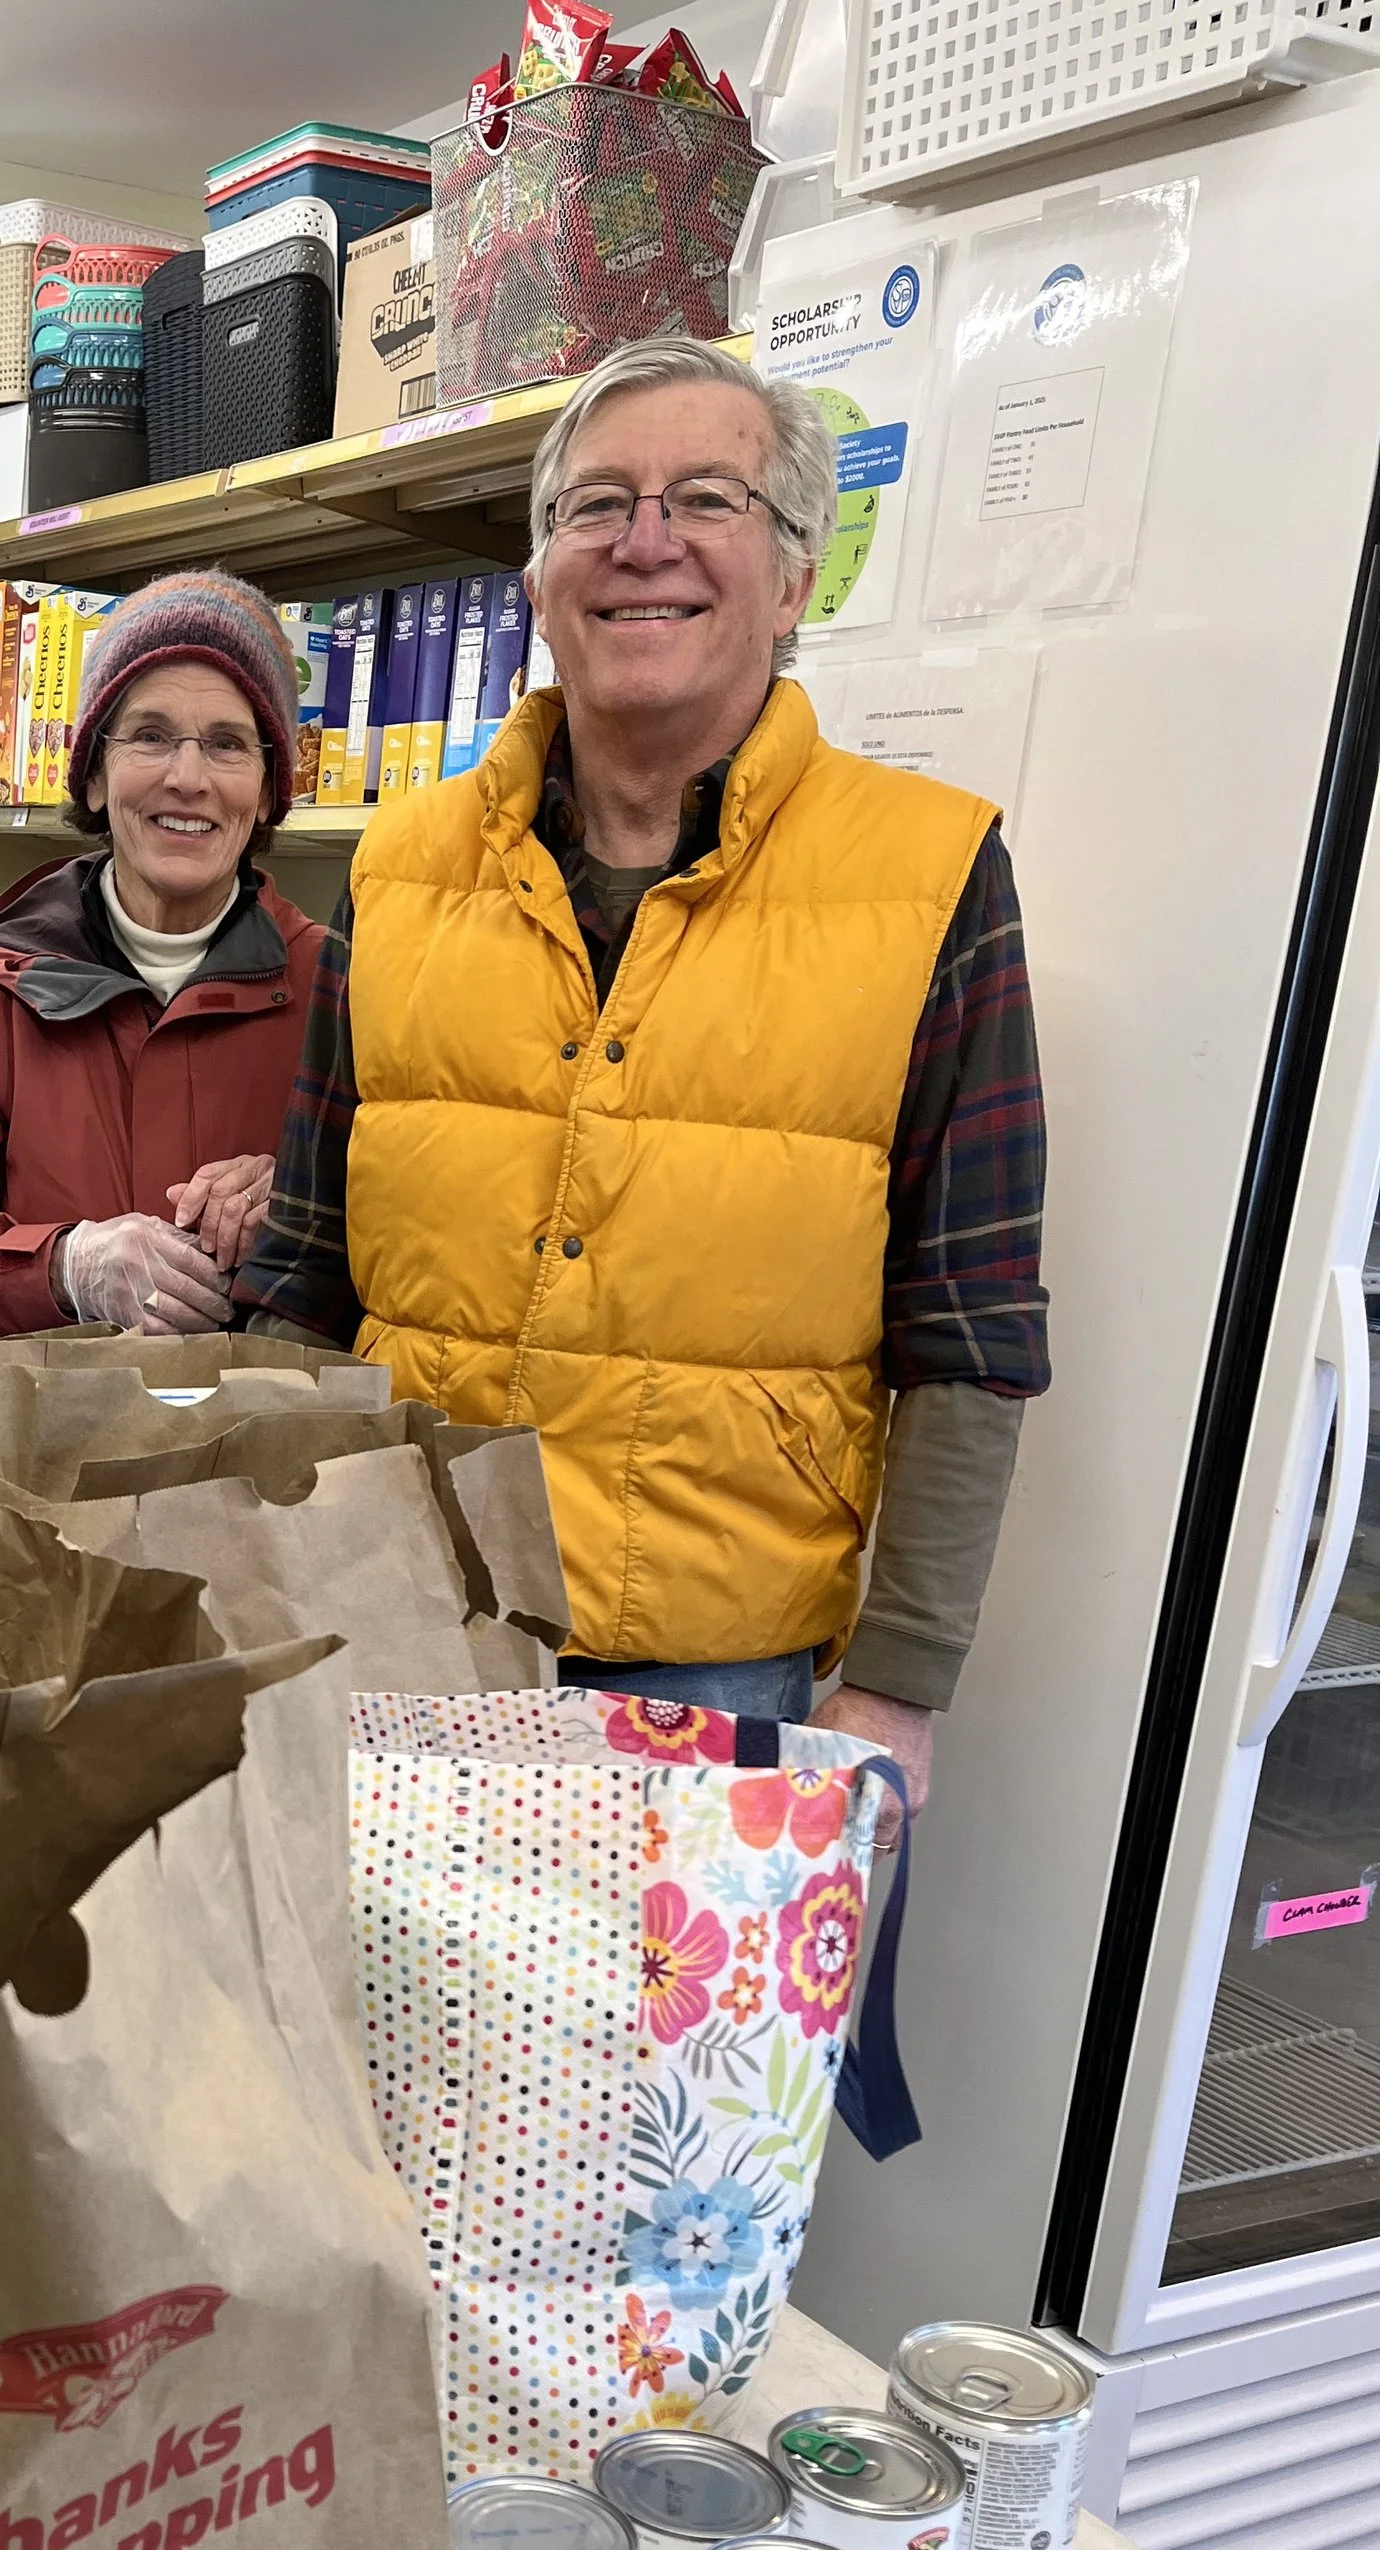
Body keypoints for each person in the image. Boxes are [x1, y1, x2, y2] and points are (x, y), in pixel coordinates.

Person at [234, 335, 1049, 1822]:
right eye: (595, 505)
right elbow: (305, 1260)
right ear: (540, 579)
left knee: (683, 2061)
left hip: (713, 1669)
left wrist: (898, 1681)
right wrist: (261, 1561)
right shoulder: (402, 869)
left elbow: (971, 1331)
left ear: (795, 578)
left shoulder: (930, 878)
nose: (646, 541)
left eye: (709, 498)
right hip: (396, 1610)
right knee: (365, 2055)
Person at [0, 571, 321, 1340]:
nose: (188, 777)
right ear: (96, 774)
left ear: (271, 788)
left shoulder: (336, 992)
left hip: (267, 1449)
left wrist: (308, 1206)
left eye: (228, 744)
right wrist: (64, 1266)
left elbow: (413, 1246)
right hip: (34, 1455)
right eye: (149, 735)